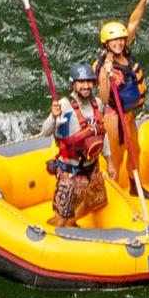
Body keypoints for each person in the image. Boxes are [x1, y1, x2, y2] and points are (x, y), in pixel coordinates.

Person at [96, 0, 149, 203]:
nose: (119, 43)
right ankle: (110, 196)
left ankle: (134, 187)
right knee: (116, 159)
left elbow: (133, 22)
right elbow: (103, 98)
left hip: (128, 114)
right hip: (114, 118)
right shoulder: (104, 65)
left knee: (135, 150)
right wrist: (106, 77)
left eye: (121, 39)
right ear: (107, 43)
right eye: (115, 41)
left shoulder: (124, 50)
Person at [48, 65, 109, 225]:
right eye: (81, 82)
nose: (86, 86)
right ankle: (55, 229)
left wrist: (109, 160)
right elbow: (46, 131)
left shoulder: (97, 104)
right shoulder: (64, 105)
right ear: (74, 84)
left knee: (99, 201)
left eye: (89, 82)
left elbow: (102, 133)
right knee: (60, 220)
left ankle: (72, 221)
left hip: (92, 168)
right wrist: (54, 117)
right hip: (71, 172)